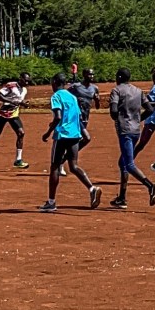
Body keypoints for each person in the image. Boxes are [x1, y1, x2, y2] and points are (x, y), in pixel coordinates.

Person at [39, 73, 103, 213]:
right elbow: (78, 116)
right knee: (73, 166)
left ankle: (51, 202)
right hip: (75, 135)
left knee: (55, 167)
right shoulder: (72, 97)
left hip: (62, 135)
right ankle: (92, 188)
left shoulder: (56, 96)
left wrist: (48, 132)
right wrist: (83, 133)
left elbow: (58, 117)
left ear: (55, 82)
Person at [109, 67, 155, 209]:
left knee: (129, 165)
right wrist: (138, 120)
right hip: (135, 130)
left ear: (119, 77)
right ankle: (122, 197)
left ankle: (151, 186)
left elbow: (113, 111)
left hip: (124, 130)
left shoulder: (117, 90)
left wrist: (118, 116)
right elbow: (150, 109)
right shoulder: (138, 91)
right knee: (123, 163)